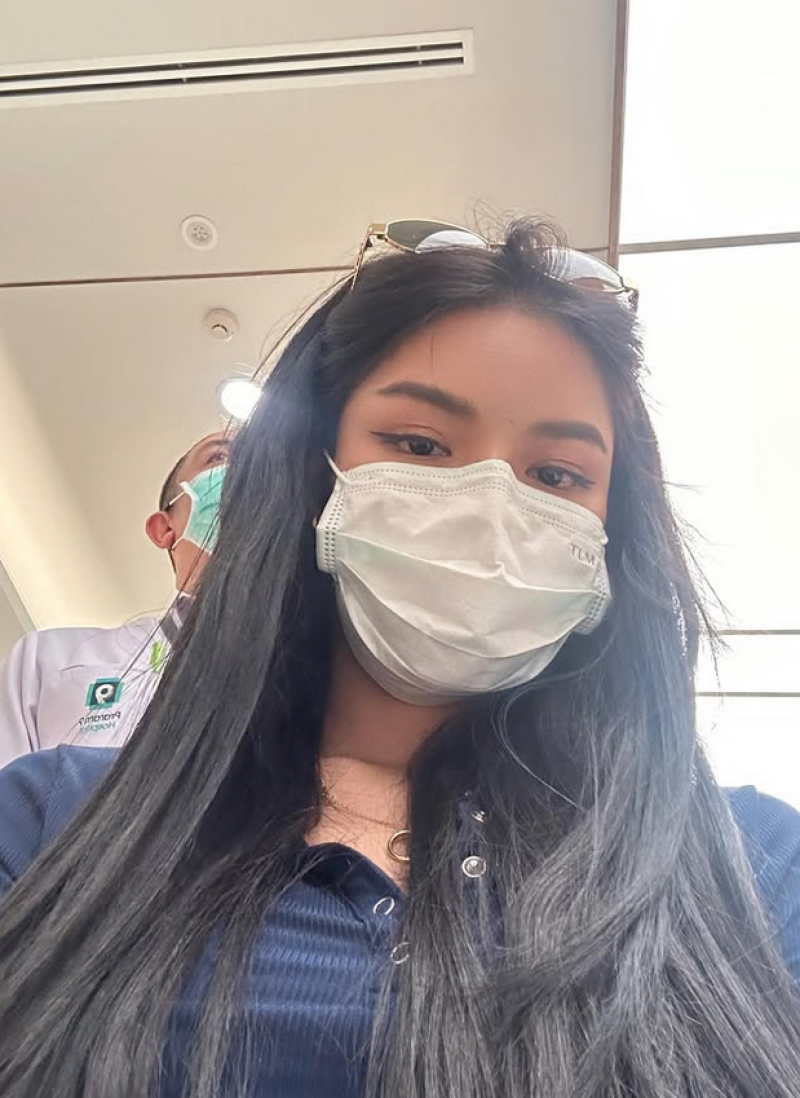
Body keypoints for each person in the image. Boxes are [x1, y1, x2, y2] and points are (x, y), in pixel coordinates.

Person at [0, 218, 799, 1098]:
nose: (490, 507)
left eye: (557, 475)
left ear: (612, 533)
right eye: (419, 445)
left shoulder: (755, 867)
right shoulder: (48, 826)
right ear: (315, 477)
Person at [0, 431, 230, 765]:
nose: (251, 468)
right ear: (164, 529)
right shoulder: (51, 661)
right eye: (220, 457)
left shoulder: (309, 668)